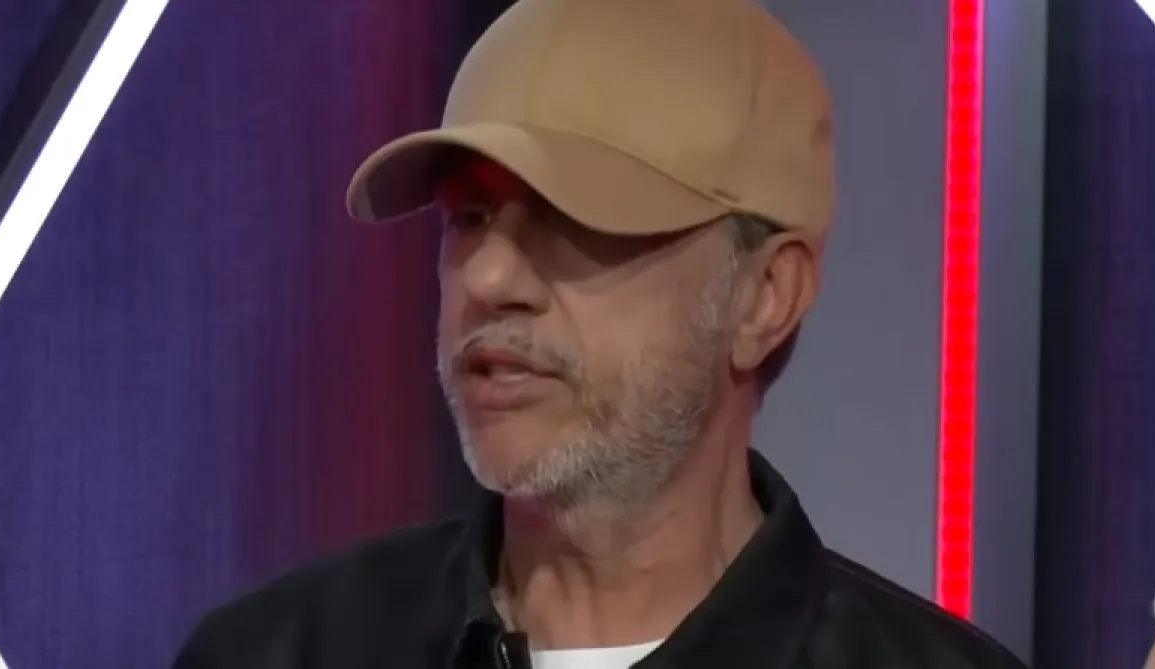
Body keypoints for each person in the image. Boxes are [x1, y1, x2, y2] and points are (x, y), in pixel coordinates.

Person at [171, 0, 1027, 667]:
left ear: (765, 296)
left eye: (574, 214)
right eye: (470, 216)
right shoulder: (276, 654)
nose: (488, 277)